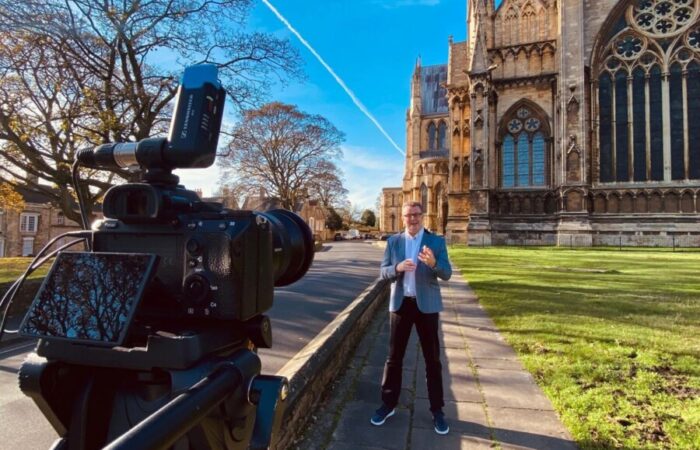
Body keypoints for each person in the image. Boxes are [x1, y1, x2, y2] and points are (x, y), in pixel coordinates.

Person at [371, 201, 452, 435]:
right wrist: (396, 267)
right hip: (400, 305)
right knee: (394, 358)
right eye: (408, 215)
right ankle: (388, 404)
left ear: (422, 216)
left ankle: (437, 410)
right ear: (403, 218)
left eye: (416, 214)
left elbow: (446, 274)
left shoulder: (436, 242)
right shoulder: (394, 241)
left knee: (432, 360)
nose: (413, 219)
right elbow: (383, 272)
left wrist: (433, 264)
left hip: (426, 307)